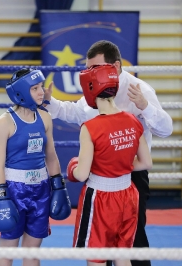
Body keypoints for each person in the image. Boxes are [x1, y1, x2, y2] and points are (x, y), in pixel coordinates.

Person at [43, 40, 173, 266]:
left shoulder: (140, 90)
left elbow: (166, 130)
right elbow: (75, 111)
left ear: (116, 65)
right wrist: (49, 102)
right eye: (88, 68)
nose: (89, 74)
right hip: (106, 178)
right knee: (113, 248)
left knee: (130, 242)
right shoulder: (96, 92)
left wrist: (146, 107)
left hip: (129, 178)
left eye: (95, 68)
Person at [66, 64, 153, 266]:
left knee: (96, 258)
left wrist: (73, 169)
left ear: (90, 88)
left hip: (100, 199)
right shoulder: (133, 120)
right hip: (128, 195)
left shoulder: (90, 128)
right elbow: (146, 162)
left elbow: (81, 174)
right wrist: (118, 166)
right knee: (122, 257)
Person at [0, 68, 71, 266]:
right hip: (14, 190)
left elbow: (51, 156)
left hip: (41, 190)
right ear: (21, 92)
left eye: (41, 87)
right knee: (7, 252)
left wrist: (58, 186)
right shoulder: (4, 123)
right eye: (35, 88)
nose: (41, 92)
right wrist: (2, 198)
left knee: (32, 253)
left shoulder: (45, 118)